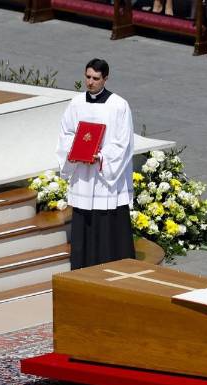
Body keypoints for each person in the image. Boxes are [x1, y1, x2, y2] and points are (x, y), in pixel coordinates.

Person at [57, 59, 136, 270]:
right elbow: (66, 133)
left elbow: (123, 141)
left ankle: (111, 264)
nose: (90, 82)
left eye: (96, 78)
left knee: (106, 219)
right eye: (88, 77)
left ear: (106, 78)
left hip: (104, 175)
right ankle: (83, 264)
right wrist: (73, 151)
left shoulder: (119, 105)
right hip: (84, 172)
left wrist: (101, 156)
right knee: (84, 219)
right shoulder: (76, 103)